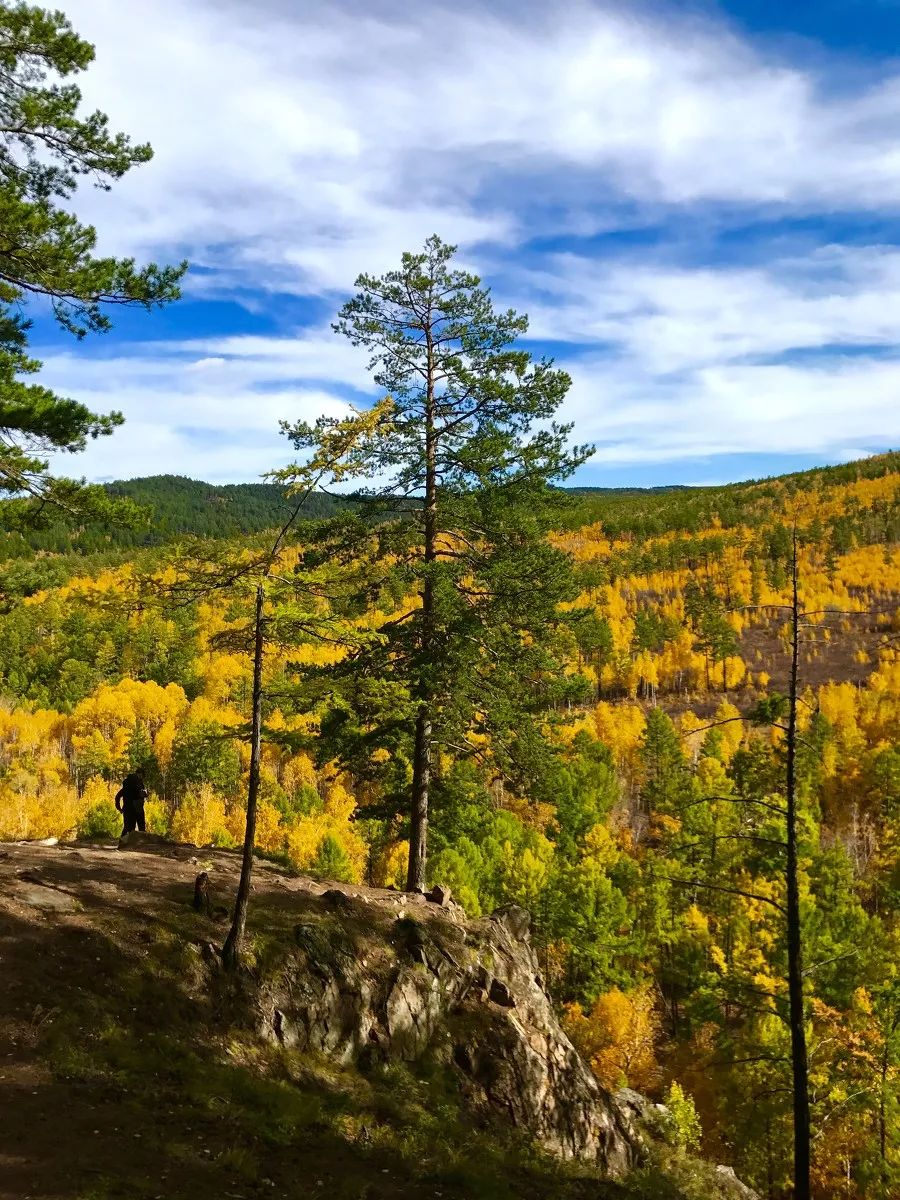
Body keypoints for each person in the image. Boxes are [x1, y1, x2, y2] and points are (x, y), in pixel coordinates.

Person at [115, 770, 148, 836]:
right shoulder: (138, 784)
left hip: (128, 809)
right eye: (142, 775)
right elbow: (139, 795)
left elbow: (117, 796)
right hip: (138, 809)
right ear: (139, 774)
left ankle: (123, 844)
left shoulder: (126, 787)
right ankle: (141, 844)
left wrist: (119, 808)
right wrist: (144, 794)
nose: (142, 777)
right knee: (141, 828)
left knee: (128, 828)